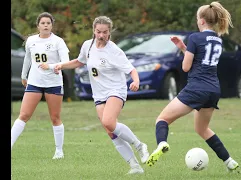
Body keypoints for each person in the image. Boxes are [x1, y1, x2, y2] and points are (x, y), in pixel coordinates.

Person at [146, 1, 240, 172]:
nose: (197, 22)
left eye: (198, 19)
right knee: (202, 129)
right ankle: (229, 161)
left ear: (202, 21)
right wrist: (183, 48)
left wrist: (187, 49)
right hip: (213, 90)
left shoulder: (195, 37)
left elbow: (186, 67)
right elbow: (202, 59)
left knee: (162, 120)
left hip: (196, 88)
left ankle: (162, 143)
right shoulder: (218, 40)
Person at [49, 16, 149, 174]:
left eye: (105, 32)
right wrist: (61, 65)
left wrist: (135, 81)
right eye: (98, 32)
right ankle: (135, 166)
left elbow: (132, 70)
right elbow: (79, 62)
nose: (101, 35)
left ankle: (139, 145)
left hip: (116, 90)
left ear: (109, 32)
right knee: (110, 131)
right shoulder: (87, 46)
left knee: (109, 121)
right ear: (93, 31)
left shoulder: (114, 50)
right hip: (99, 94)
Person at [11, 12, 69, 159]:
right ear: (38, 26)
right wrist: (24, 76)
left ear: (51, 25)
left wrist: (51, 66)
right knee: (23, 115)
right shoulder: (31, 41)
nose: (45, 25)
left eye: (48, 23)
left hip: (53, 83)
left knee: (55, 117)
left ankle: (59, 151)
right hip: (34, 82)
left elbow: (66, 62)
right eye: (43, 23)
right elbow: (27, 59)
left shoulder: (58, 41)